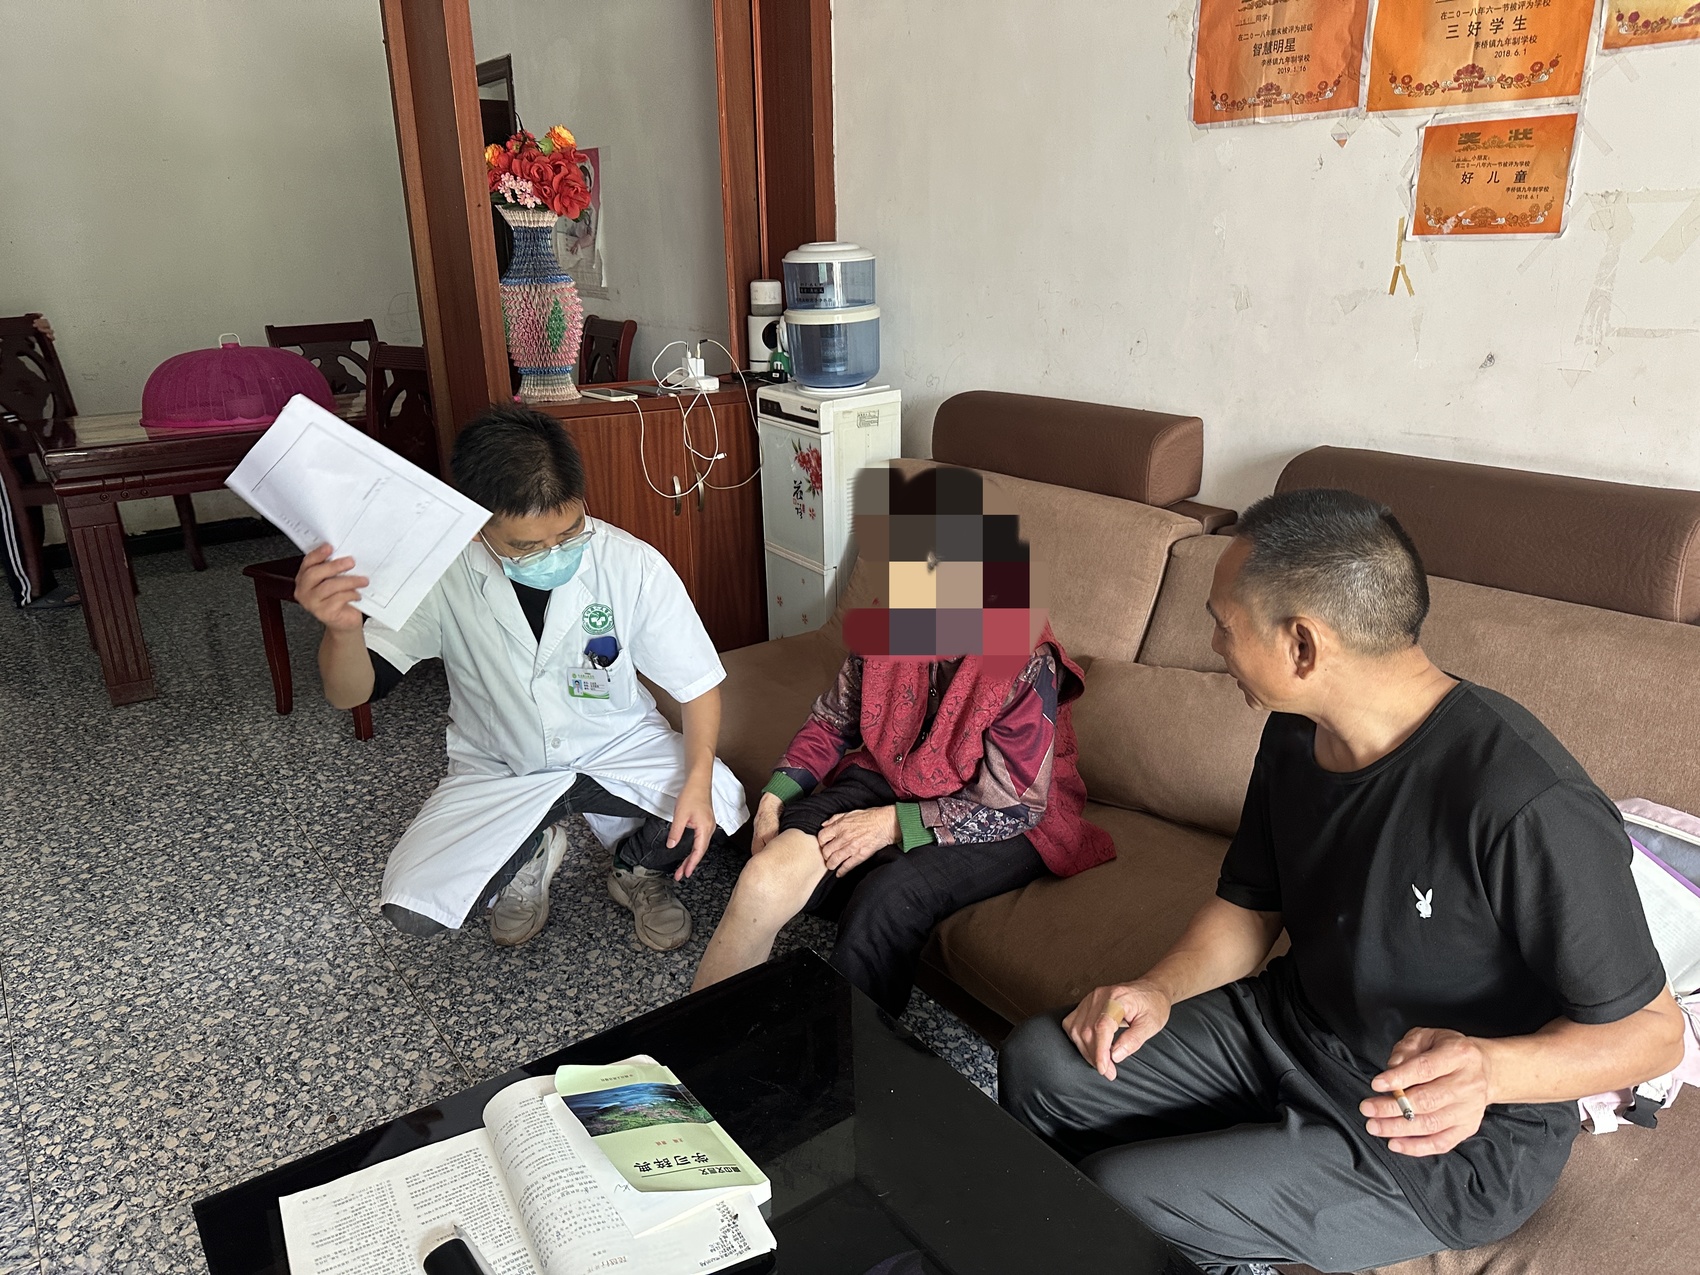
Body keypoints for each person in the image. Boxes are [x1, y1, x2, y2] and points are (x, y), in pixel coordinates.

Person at [999, 488, 1685, 1275]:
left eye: (1224, 625)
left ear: (1302, 644)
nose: (1215, 645)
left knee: (1129, 1195)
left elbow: (1654, 1033)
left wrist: (1491, 1069)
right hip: (1290, 1025)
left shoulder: (1524, 799)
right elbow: (1249, 906)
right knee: (1041, 1064)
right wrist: (1158, 987)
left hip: (1433, 1128)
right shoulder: (1295, 731)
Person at [294, 405, 747, 949]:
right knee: (415, 908)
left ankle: (637, 868)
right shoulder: (441, 574)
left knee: (717, 800)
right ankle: (534, 850)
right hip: (502, 764)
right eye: (526, 546)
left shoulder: (631, 565)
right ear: (474, 526)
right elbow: (353, 691)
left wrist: (695, 781)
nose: (554, 554)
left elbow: (698, 686)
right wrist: (342, 630)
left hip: (618, 747)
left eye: (570, 531)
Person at [691, 465, 1114, 1015]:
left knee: (889, 897)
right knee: (768, 873)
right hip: (898, 774)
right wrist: (775, 795)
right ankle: (697, 1043)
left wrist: (894, 823)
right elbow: (834, 720)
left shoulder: (1027, 661)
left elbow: (1012, 805)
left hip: (1010, 813)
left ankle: (849, 1060)